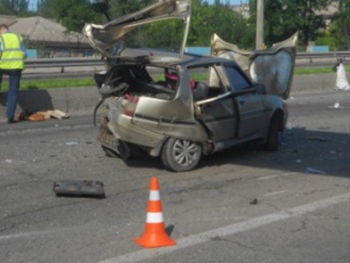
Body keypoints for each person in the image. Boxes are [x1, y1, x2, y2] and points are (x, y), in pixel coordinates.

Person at [0, 24, 26, 123]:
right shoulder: (18, 38)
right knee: (13, 91)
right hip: (16, 67)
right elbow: (25, 54)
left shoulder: (0, 38)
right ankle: (10, 117)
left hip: (1, 66)